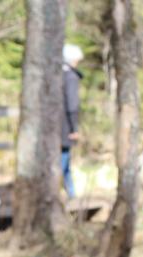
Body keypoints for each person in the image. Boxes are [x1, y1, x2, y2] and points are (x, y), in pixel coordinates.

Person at [62, 43, 84, 199]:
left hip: (56, 127)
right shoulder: (70, 77)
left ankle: (71, 194)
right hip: (65, 128)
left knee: (64, 162)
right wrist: (74, 128)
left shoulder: (57, 75)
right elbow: (72, 105)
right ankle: (70, 195)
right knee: (62, 162)